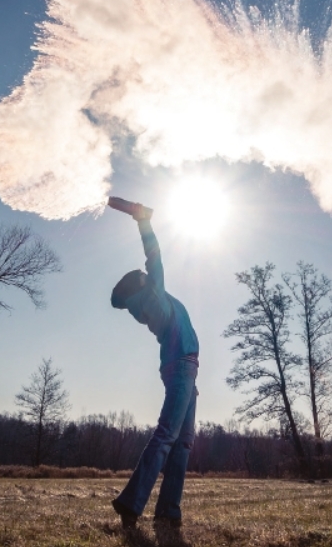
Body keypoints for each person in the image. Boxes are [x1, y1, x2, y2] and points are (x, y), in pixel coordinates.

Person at [109, 201, 199, 529]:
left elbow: (150, 266)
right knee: (167, 435)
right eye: (145, 276)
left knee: (182, 441)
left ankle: (168, 511)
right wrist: (144, 222)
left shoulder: (149, 301)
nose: (148, 274)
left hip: (182, 367)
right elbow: (155, 256)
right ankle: (131, 503)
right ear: (143, 284)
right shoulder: (155, 296)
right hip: (181, 365)